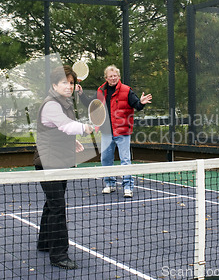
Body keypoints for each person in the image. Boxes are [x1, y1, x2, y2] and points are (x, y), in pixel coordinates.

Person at [33, 65, 93, 270]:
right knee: (58, 207)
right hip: (49, 162)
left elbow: (60, 129)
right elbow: (65, 125)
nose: (69, 86)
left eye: (71, 82)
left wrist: (72, 141)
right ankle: (58, 255)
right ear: (54, 84)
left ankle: (44, 243)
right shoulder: (51, 104)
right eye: (64, 82)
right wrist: (87, 128)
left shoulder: (63, 102)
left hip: (59, 160)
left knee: (52, 204)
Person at [82, 65, 152, 198]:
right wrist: (80, 94)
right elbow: (90, 104)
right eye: (110, 76)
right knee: (106, 159)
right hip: (106, 131)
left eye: (115, 76)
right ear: (106, 78)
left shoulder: (127, 90)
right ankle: (110, 184)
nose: (113, 78)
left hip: (123, 131)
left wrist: (141, 102)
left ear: (118, 77)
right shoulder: (100, 91)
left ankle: (128, 187)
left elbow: (136, 105)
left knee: (125, 160)